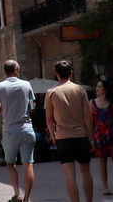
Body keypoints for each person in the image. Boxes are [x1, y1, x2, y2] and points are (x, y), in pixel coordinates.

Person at [45, 59, 94, 202]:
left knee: (69, 175)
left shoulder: (51, 92)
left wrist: (53, 134)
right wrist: (91, 136)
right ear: (71, 72)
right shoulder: (80, 90)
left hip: (62, 136)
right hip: (81, 135)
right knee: (85, 172)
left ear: (56, 74)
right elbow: (87, 116)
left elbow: (49, 119)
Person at [0, 59, 36, 202]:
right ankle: (27, 198)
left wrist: (5, 108)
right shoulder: (26, 84)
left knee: (10, 164)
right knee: (28, 164)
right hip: (27, 128)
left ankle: (17, 193)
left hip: (10, 130)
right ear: (16, 70)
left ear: (5, 71)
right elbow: (32, 106)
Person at [91, 78, 113, 196]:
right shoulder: (92, 103)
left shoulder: (112, 103)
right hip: (99, 135)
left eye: (99, 86)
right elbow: (89, 121)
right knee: (102, 161)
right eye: (97, 86)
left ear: (105, 90)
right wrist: (90, 138)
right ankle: (105, 187)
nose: (97, 88)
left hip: (111, 134)